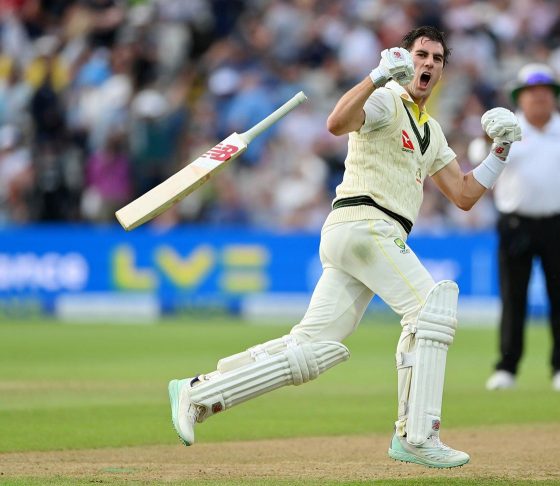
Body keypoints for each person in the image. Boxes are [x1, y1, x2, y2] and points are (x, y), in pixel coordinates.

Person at [168, 26, 522, 468]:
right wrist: (376, 77)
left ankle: (199, 391)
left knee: (312, 348)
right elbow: (336, 123)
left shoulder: (431, 131)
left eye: (437, 58)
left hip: (360, 236)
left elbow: (465, 195)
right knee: (431, 310)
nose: (428, 63)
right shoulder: (385, 99)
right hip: (366, 223)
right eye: (421, 54)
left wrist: (501, 152)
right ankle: (417, 436)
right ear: (403, 58)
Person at [484, 63, 560, 392]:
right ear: (521, 97)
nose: (540, 99)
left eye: (546, 93)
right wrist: (491, 138)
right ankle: (507, 367)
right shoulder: (507, 129)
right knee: (513, 298)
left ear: (554, 97)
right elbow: (482, 161)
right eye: (533, 93)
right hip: (516, 223)